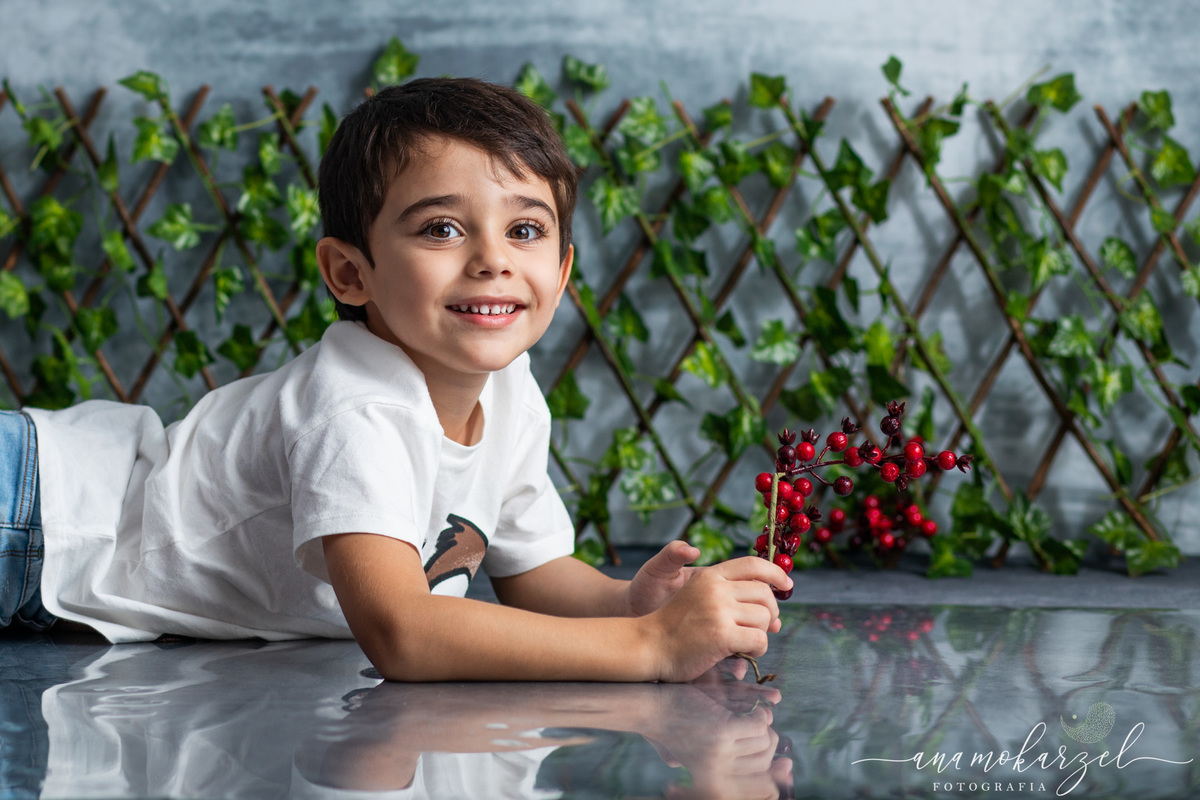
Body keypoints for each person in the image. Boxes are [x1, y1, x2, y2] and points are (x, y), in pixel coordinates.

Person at [6, 77, 790, 682]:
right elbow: (401, 633)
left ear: (562, 270)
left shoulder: (510, 392)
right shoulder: (356, 404)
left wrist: (629, 604)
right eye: (442, 228)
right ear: (351, 272)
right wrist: (647, 647)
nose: (493, 258)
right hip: (43, 511)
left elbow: (533, 571)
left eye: (525, 229)